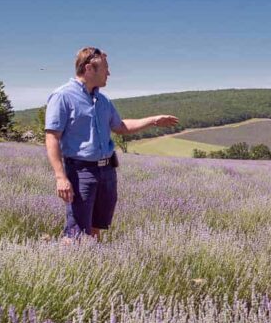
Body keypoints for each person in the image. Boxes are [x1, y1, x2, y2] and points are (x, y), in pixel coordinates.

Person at [44, 46, 178, 241]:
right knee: (76, 232)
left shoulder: (102, 100)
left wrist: (154, 120)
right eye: (105, 68)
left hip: (107, 172)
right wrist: (60, 177)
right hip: (81, 173)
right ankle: (67, 266)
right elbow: (52, 137)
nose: (109, 72)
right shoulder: (62, 96)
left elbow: (121, 126)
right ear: (89, 68)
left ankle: (90, 265)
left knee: (96, 227)